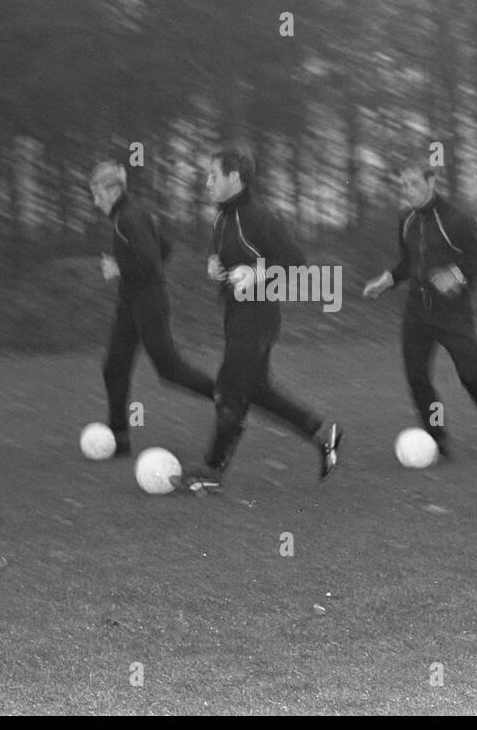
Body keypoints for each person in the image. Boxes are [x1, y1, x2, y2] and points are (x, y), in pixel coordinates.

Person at [171, 146, 342, 493]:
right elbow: (227, 259)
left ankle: (211, 470)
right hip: (237, 315)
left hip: (259, 316)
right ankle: (324, 434)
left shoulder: (260, 216)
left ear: (235, 177)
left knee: (229, 389)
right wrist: (214, 266)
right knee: (258, 390)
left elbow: (295, 260)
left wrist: (256, 272)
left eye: (213, 175)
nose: (207, 183)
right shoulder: (221, 217)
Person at [364, 160, 477, 459]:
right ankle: (437, 437)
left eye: (414, 183)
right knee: (417, 377)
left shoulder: (457, 220)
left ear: (432, 181)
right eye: (403, 185)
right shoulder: (407, 221)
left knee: (471, 375)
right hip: (417, 312)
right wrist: (386, 280)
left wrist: (457, 274)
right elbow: (408, 263)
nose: (407, 190)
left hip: (452, 313)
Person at [88, 161, 215, 457]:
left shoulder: (127, 218)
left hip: (148, 304)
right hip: (132, 304)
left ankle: (229, 398)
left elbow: (151, 262)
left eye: (97, 194)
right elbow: (165, 249)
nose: (95, 201)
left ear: (113, 189)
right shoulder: (133, 212)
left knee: (170, 370)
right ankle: (119, 441)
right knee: (114, 367)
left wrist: (118, 267)